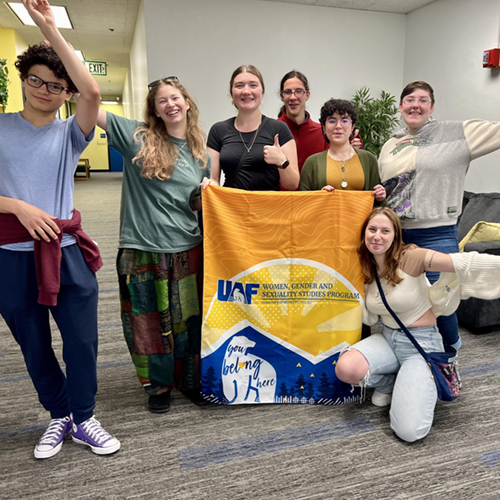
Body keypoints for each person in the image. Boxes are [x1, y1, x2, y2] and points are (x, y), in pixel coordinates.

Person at [0, 0, 119, 458]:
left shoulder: (71, 132)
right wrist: (18, 207)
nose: (44, 90)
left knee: (83, 341)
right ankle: (59, 414)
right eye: (35, 80)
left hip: (66, 251)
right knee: (32, 343)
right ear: (23, 79)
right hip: (11, 254)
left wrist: (50, 27)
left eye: (55, 86)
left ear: (66, 92)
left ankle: (85, 418)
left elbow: (92, 94)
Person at [97, 77, 210, 414]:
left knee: (187, 322)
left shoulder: (200, 152)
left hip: (187, 247)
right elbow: (92, 105)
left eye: (175, 98)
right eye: (162, 101)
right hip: (142, 248)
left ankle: (188, 381)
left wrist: (206, 197)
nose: (170, 105)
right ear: (155, 109)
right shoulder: (138, 138)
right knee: (148, 324)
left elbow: (191, 205)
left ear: (187, 102)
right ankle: (158, 386)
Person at [378, 80, 500, 351]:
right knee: (399, 298)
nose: (415, 105)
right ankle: (412, 353)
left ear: (431, 107)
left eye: (423, 100)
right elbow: (388, 186)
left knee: (441, 301)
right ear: (400, 106)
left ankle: (451, 353)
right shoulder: (390, 144)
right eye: (409, 99)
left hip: (437, 232)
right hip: (396, 233)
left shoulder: (456, 133)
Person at [335, 208, 470, 442]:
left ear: (395, 236)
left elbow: (458, 263)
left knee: (409, 432)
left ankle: (416, 377)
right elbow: (371, 315)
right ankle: (390, 380)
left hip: (421, 343)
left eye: (385, 231)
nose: (377, 236)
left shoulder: (410, 257)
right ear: (364, 233)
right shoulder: (366, 266)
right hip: (388, 337)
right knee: (346, 369)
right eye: (372, 229)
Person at [207, 65, 299, 191]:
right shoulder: (218, 130)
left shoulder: (279, 129)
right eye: (239, 85)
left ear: (262, 92)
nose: (246, 91)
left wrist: (281, 160)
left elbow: (293, 185)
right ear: (231, 93)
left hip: (268, 209)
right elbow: (213, 180)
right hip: (231, 208)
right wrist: (209, 184)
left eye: (253, 85)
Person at [299, 98, 386, 204]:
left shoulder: (369, 159)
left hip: (362, 220)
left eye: (344, 120)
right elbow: (303, 204)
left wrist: (380, 196)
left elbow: (377, 205)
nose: (338, 126)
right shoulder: (312, 162)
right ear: (324, 128)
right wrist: (319, 197)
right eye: (332, 121)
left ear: (352, 127)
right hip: (326, 219)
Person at [277, 70, 362, 172]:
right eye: (288, 92)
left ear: (307, 95)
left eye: (299, 91)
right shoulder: (271, 131)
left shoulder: (323, 132)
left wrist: (351, 146)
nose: (293, 97)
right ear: (282, 96)